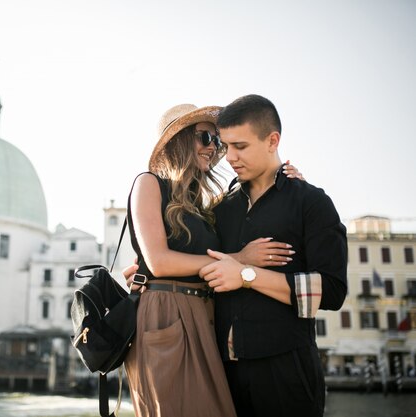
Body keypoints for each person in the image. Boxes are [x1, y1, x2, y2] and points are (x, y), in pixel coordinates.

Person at [124, 103, 297, 417]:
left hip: (203, 316)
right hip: (167, 314)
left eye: (217, 141)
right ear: (179, 140)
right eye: (206, 137)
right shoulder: (148, 184)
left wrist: (283, 179)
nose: (214, 148)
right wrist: (238, 259)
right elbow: (159, 262)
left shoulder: (201, 205)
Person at [198, 94, 348, 417]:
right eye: (226, 147)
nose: (229, 158)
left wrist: (247, 276)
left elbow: (334, 291)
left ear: (272, 140)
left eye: (240, 146)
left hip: (287, 372)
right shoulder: (220, 210)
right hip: (225, 374)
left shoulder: (312, 202)